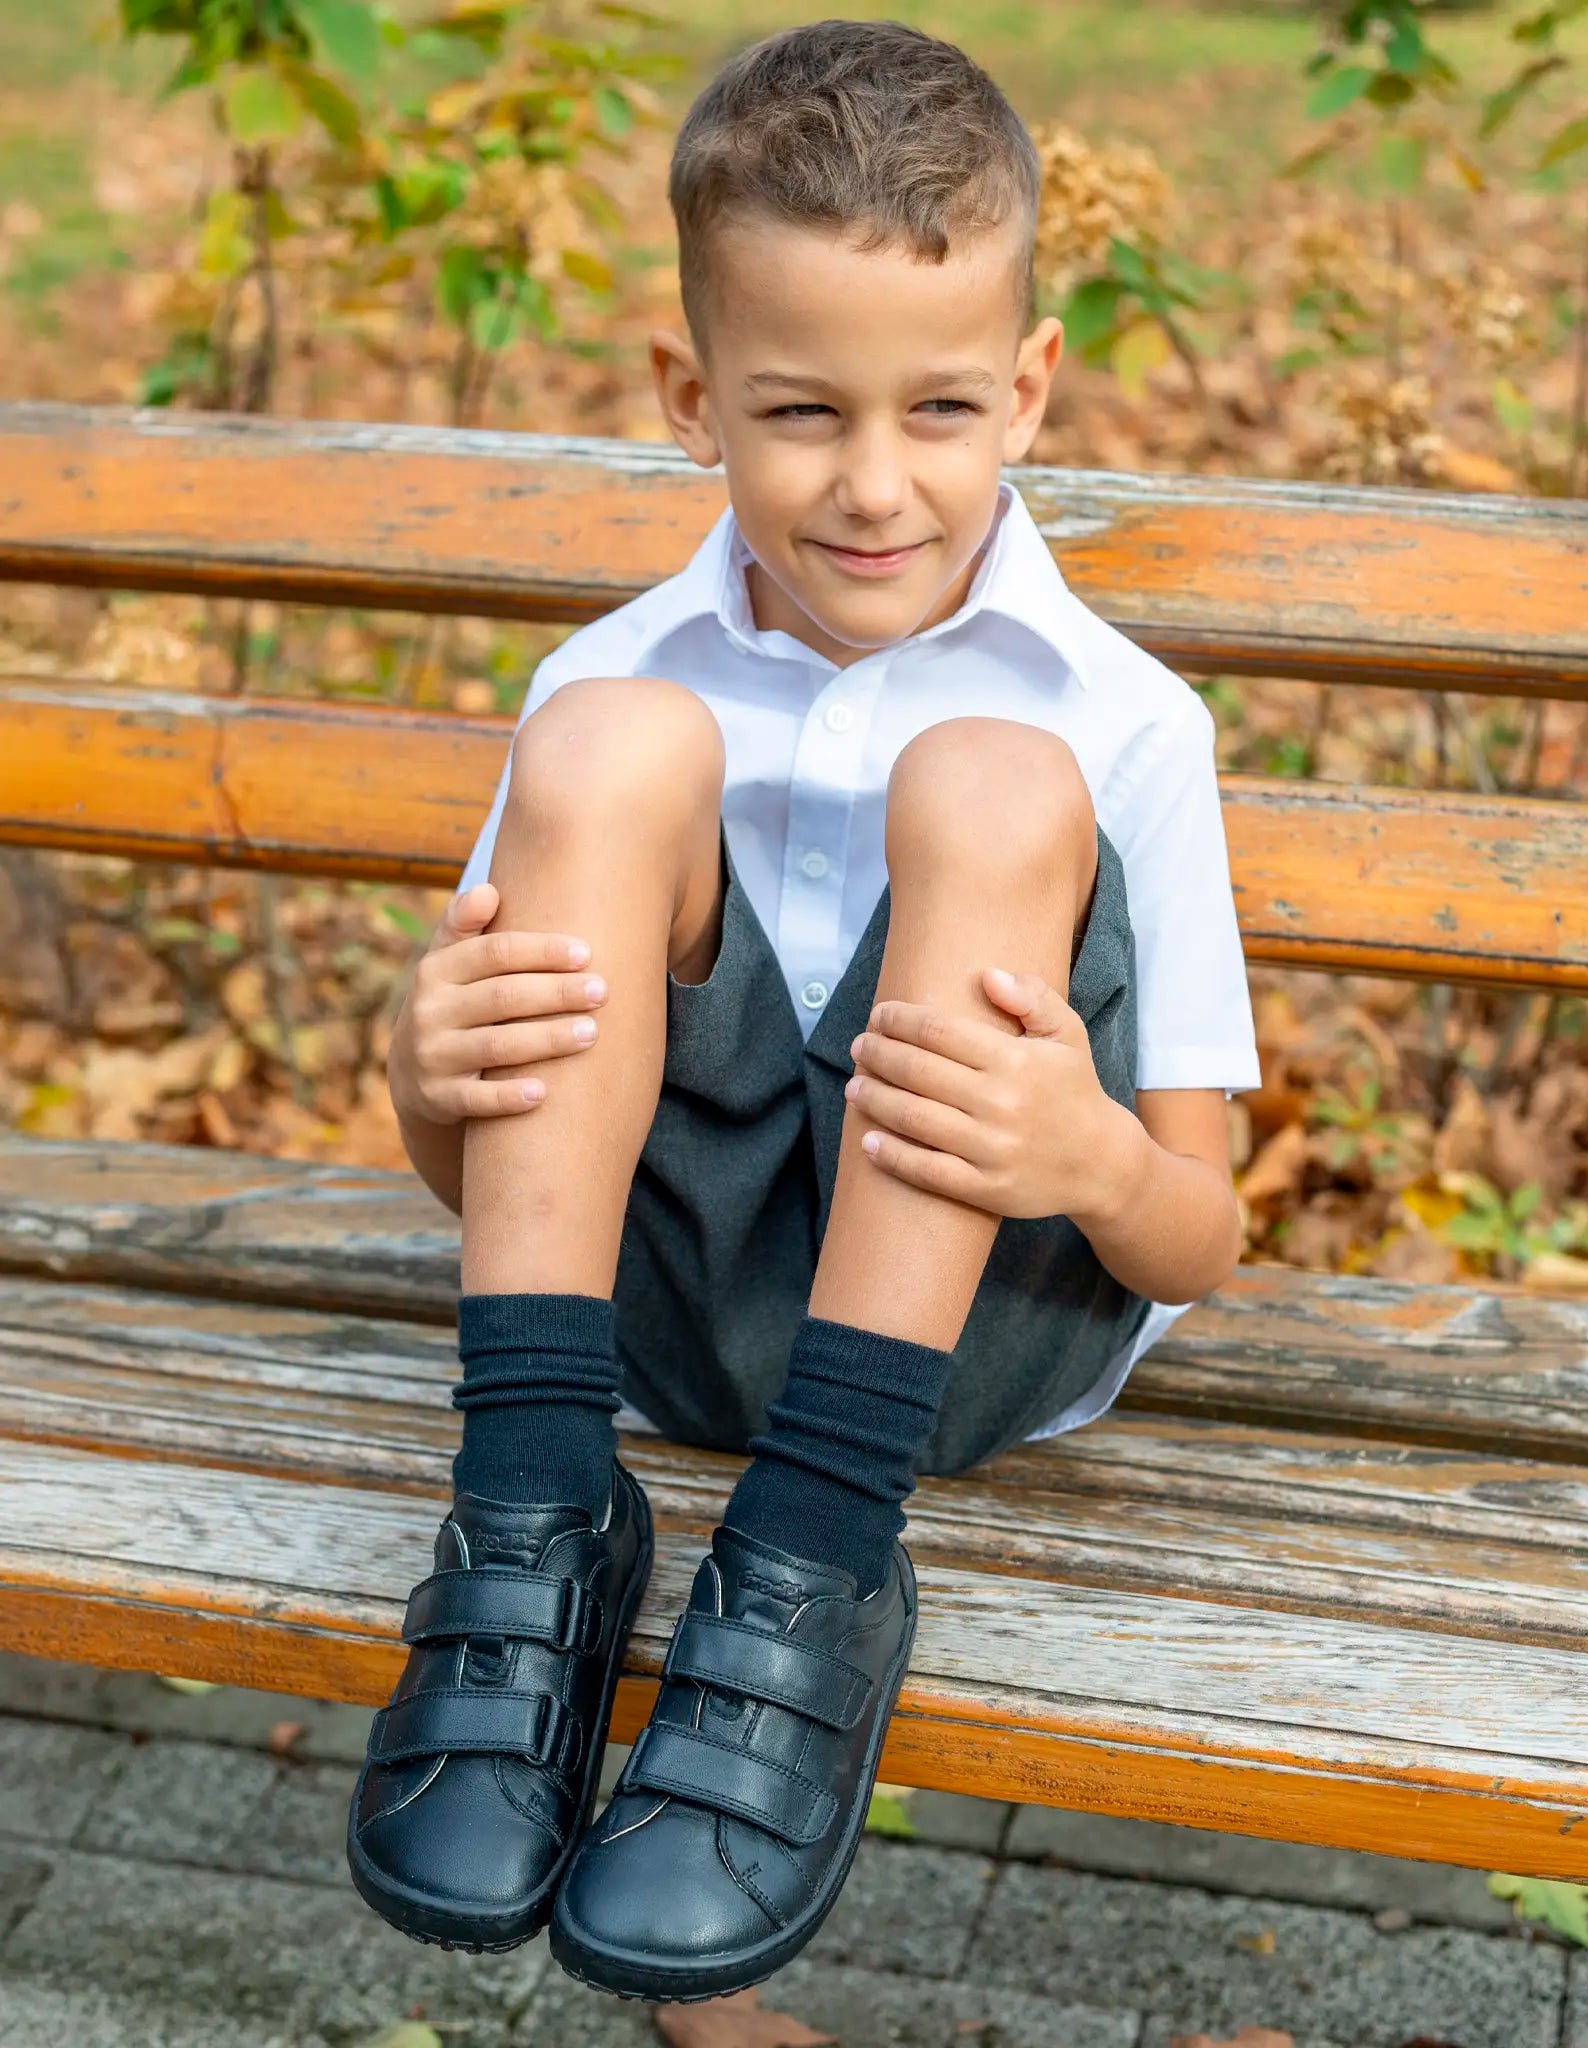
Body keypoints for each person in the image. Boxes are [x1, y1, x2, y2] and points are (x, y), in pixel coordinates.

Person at [346, 17, 1259, 2004]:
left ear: (1025, 389)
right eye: (798, 412)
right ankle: (527, 1532)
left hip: (968, 1353)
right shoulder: (612, 675)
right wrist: (417, 1081)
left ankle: (819, 1563)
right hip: (648, 1333)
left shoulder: (1128, 723)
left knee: (997, 781)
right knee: (611, 740)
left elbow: (1201, 1232)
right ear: (691, 395)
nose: (871, 484)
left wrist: (1090, 1147)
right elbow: (484, 1152)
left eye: (936, 408)